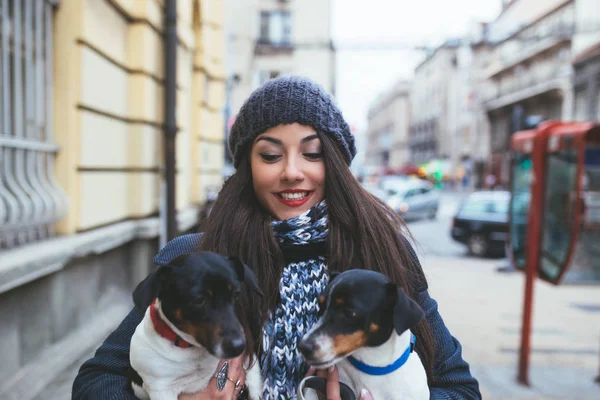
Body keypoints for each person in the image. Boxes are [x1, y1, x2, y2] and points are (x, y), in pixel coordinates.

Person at [72, 76, 481, 400]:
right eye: (270, 155)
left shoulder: (383, 256)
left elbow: (460, 388)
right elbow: (96, 381)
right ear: (247, 165)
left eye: (312, 152)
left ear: (335, 164)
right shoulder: (196, 259)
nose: (291, 171)